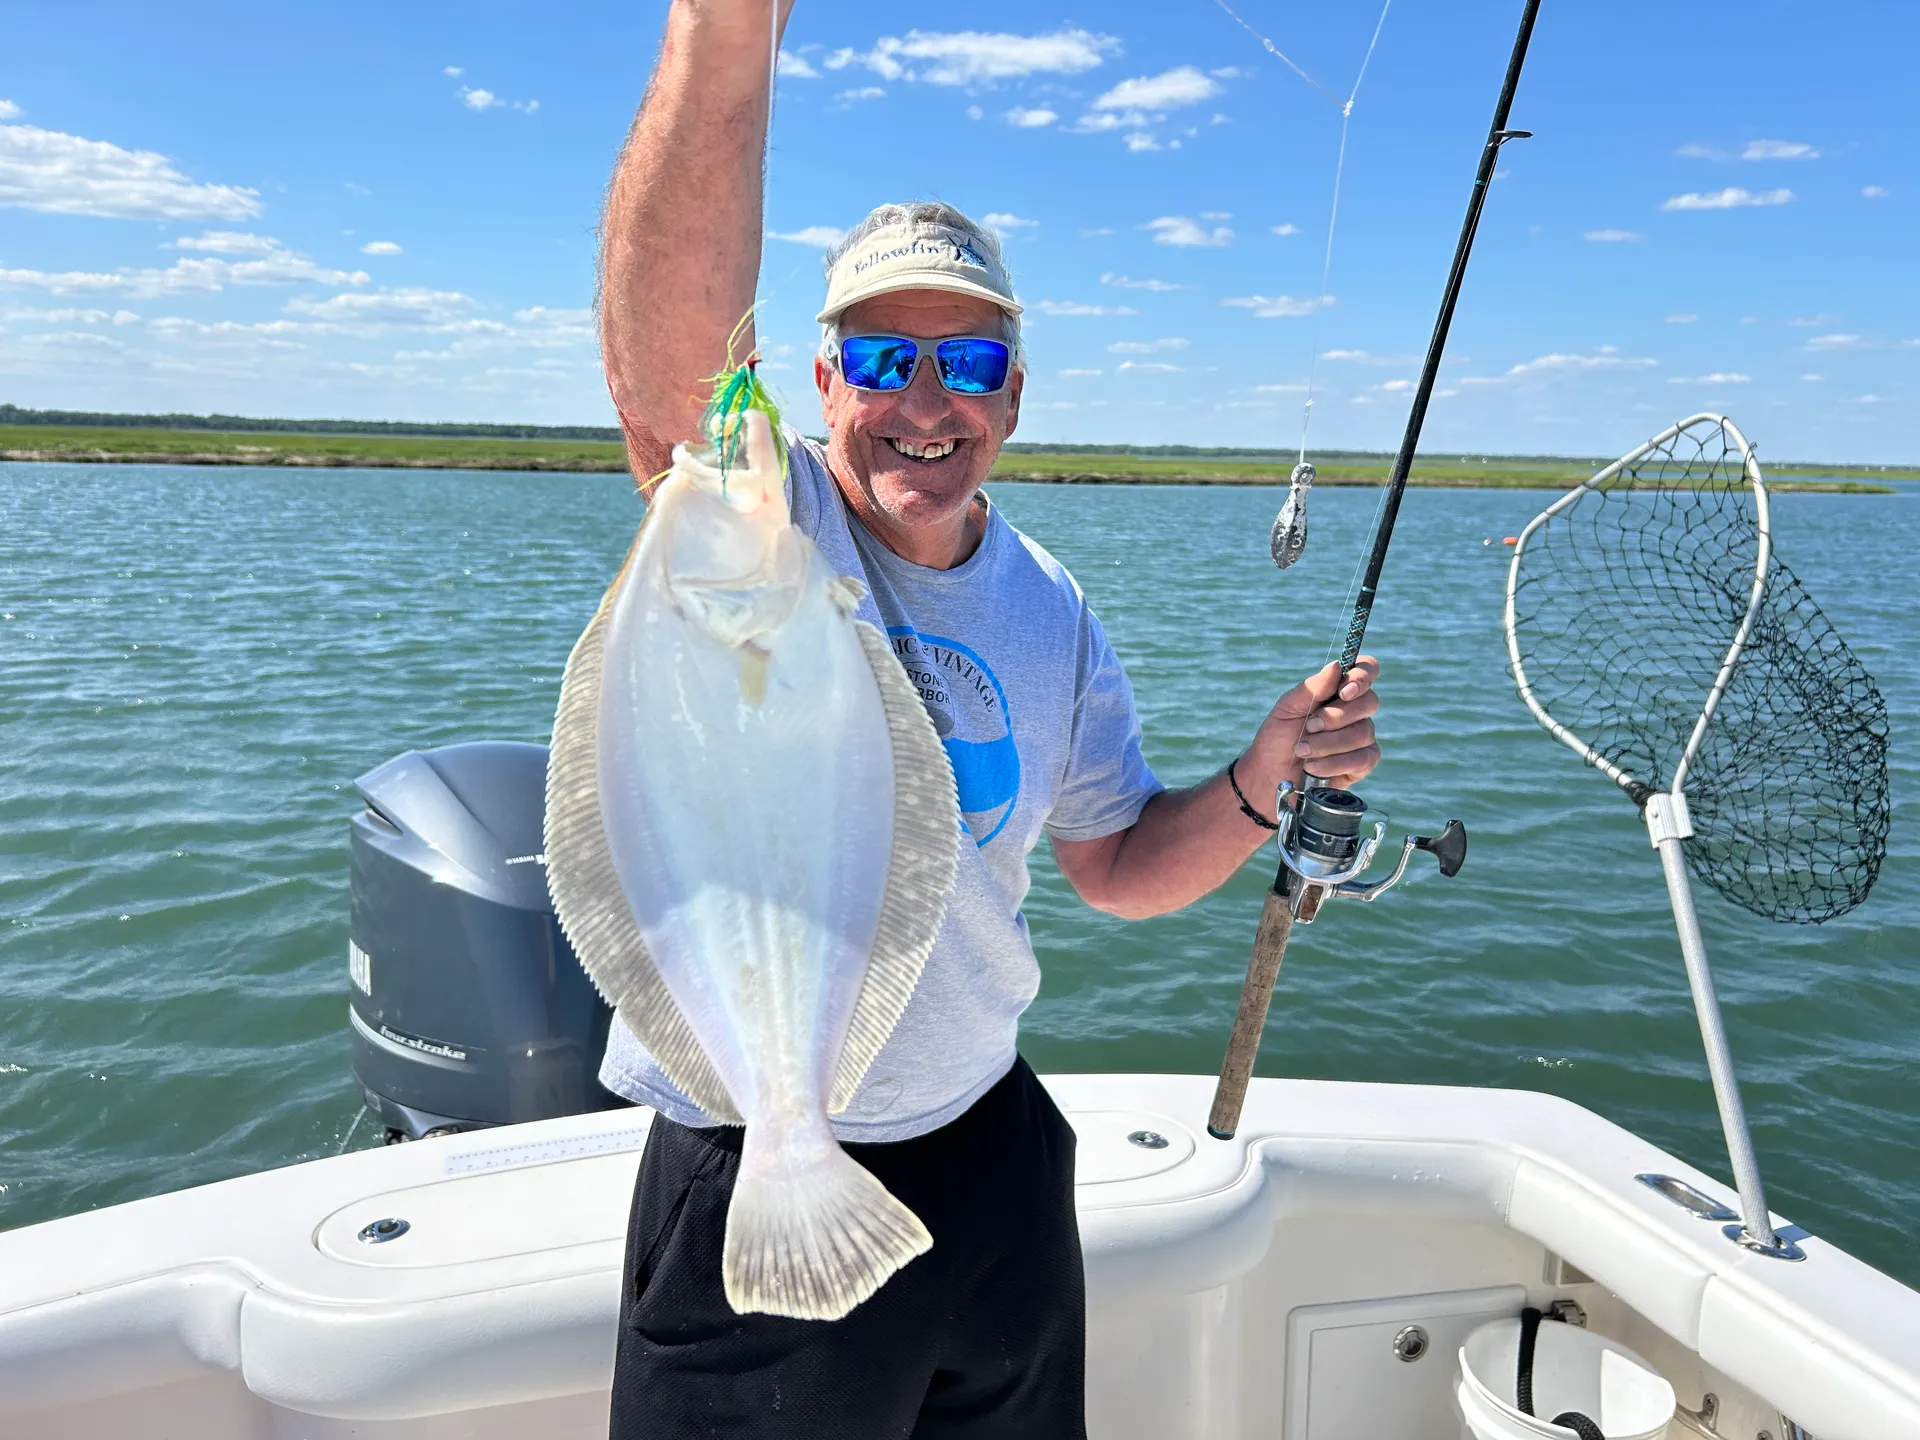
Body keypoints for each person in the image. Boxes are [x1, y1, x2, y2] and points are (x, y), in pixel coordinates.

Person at [596, 3, 1381, 1434]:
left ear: (1013, 395)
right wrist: (725, 32)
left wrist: (1260, 779)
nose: (926, 401)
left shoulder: (1049, 606)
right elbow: (673, 383)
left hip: (994, 1150)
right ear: (819, 382)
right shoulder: (760, 517)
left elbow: (1117, 867)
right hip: (757, 1141)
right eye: (881, 360)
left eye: (966, 365)